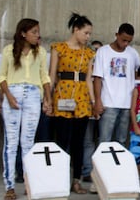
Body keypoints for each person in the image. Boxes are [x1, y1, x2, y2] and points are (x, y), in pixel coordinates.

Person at [0, 18, 51, 200]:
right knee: (11, 143)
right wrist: (8, 96)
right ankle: (10, 187)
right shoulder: (8, 51)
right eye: (34, 32)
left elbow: (45, 77)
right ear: (23, 33)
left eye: (38, 32)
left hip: (34, 96)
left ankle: (29, 184)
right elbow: (1, 77)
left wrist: (48, 99)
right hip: (13, 93)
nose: (37, 35)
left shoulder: (41, 52)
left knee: (28, 143)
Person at [49, 13, 95, 194]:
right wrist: (48, 98)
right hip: (62, 95)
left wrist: (92, 101)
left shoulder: (89, 53)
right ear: (76, 30)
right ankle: (59, 179)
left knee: (79, 142)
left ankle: (76, 180)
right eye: (86, 33)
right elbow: (52, 75)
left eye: (90, 34)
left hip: (82, 97)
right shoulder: (58, 48)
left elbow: (90, 79)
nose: (88, 37)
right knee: (62, 140)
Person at [93, 23, 140, 146]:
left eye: (129, 41)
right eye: (123, 40)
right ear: (116, 35)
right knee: (104, 140)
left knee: (122, 140)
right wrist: (98, 101)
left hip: (127, 104)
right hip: (108, 103)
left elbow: (138, 74)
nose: (125, 44)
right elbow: (97, 78)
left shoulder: (133, 53)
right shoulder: (103, 52)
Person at [82, 40, 103, 184]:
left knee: (103, 140)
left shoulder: (104, 66)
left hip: (103, 107)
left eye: (99, 50)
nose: (96, 53)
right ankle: (88, 171)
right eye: (94, 50)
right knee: (88, 141)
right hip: (88, 107)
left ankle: (101, 171)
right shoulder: (86, 66)